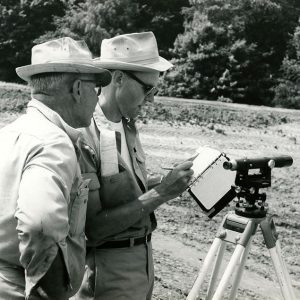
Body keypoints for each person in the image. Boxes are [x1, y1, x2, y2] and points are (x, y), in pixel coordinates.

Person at [76, 32, 194, 300]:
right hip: (108, 271)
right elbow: (93, 228)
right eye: (147, 88)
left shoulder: (128, 126)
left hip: (141, 263)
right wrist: (162, 192)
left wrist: (167, 180)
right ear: (118, 79)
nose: (151, 99)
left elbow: (124, 193)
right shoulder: (86, 134)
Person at [0, 37, 111, 299]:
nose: (97, 101)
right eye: (95, 90)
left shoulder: (10, 133)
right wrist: (51, 294)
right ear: (78, 89)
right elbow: (40, 225)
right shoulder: (54, 142)